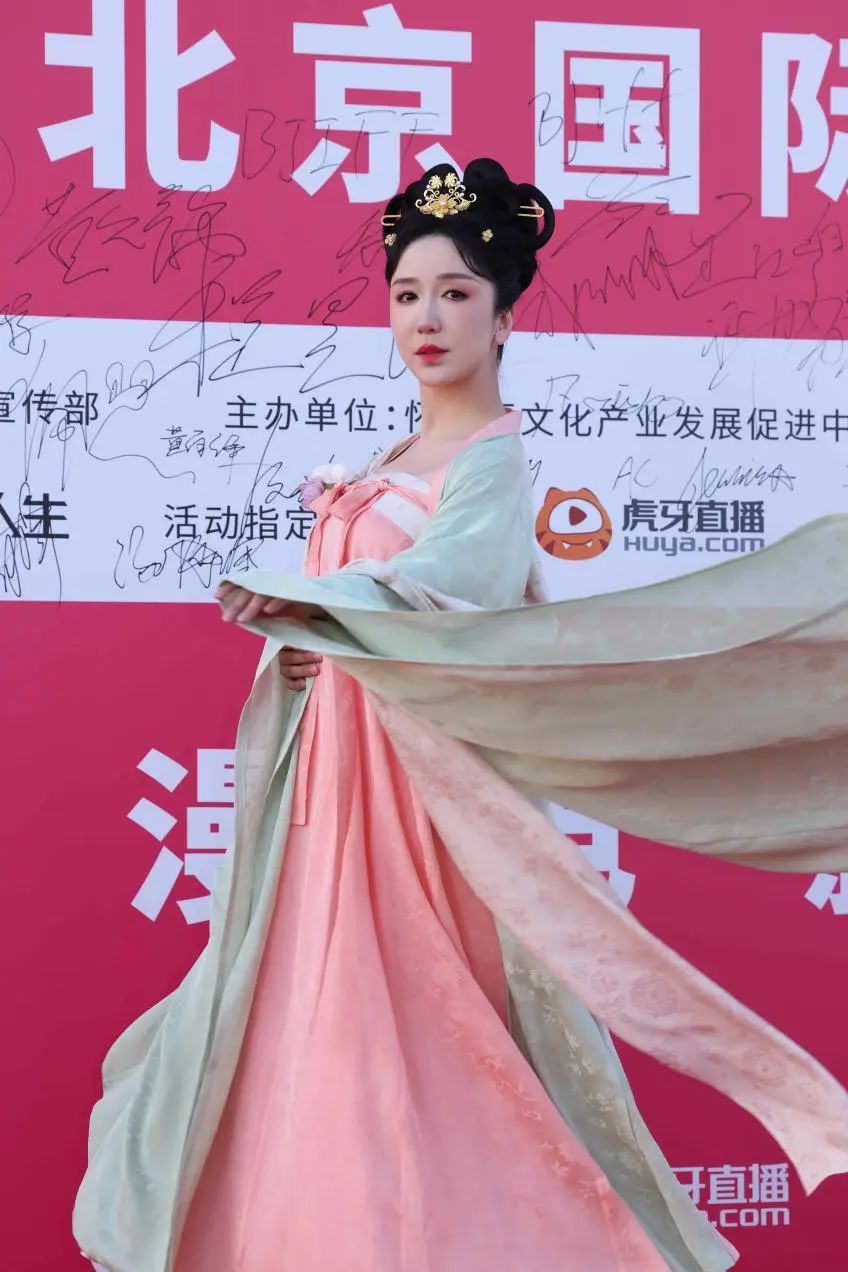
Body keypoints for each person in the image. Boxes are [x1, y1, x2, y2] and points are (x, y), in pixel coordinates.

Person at [73, 159, 848, 1272]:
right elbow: (369, 611)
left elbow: (448, 585)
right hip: (329, 792)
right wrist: (308, 646)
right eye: (406, 295)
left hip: (419, 811)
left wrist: (323, 605)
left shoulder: (492, 463)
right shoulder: (391, 457)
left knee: (420, 1038)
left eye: (453, 293)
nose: (426, 319)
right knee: (305, 1028)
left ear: (503, 314)